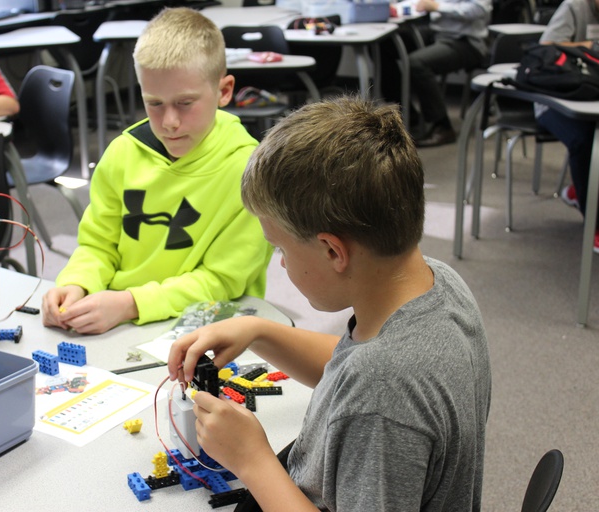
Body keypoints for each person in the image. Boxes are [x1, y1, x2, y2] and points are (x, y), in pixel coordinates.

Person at [168, 97, 492, 511]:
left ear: (333, 251)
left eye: (281, 248)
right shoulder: (438, 283)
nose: (282, 263)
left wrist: (252, 461)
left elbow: (373, 383)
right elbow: (349, 367)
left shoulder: (381, 394)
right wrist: (260, 331)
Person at [41, 8, 273, 335]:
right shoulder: (122, 153)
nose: (169, 122)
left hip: (209, 327)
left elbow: (223, 280)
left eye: (185, 103)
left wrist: (130, 304)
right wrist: (76, 283)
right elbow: (98, 245)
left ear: (224, 91)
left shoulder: (251, 174)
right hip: (121, 321)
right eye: (154, 103)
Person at [382, 0, 492, 147]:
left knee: (417, 63)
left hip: (466, 42)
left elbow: (476, 10)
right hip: (437, 33)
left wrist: (437, 7)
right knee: (385, 43)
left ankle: (442, 126)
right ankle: (407, 113)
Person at [535, 0, 599, 253]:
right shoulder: (575, 6)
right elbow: (546, 46)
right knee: (583, 140)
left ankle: (578, 191)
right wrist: (588, 46)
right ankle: (595, 223)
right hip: (554, 101)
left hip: (591, 97)